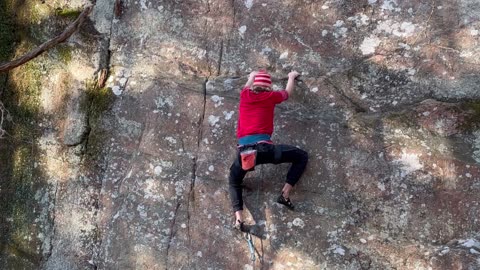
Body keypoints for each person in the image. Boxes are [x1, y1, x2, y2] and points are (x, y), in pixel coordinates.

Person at [228, 70, 309, 231]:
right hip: (265, 150)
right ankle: (285, 194)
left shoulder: (245, 95)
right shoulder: (270, 97)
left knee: (234, 180)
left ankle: (238, 218)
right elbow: (286, 93)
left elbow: (246, 86)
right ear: (268, 87)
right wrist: (291, 77)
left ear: (254, 85)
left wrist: (251, 77)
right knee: (301, 156)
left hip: (245, 153)